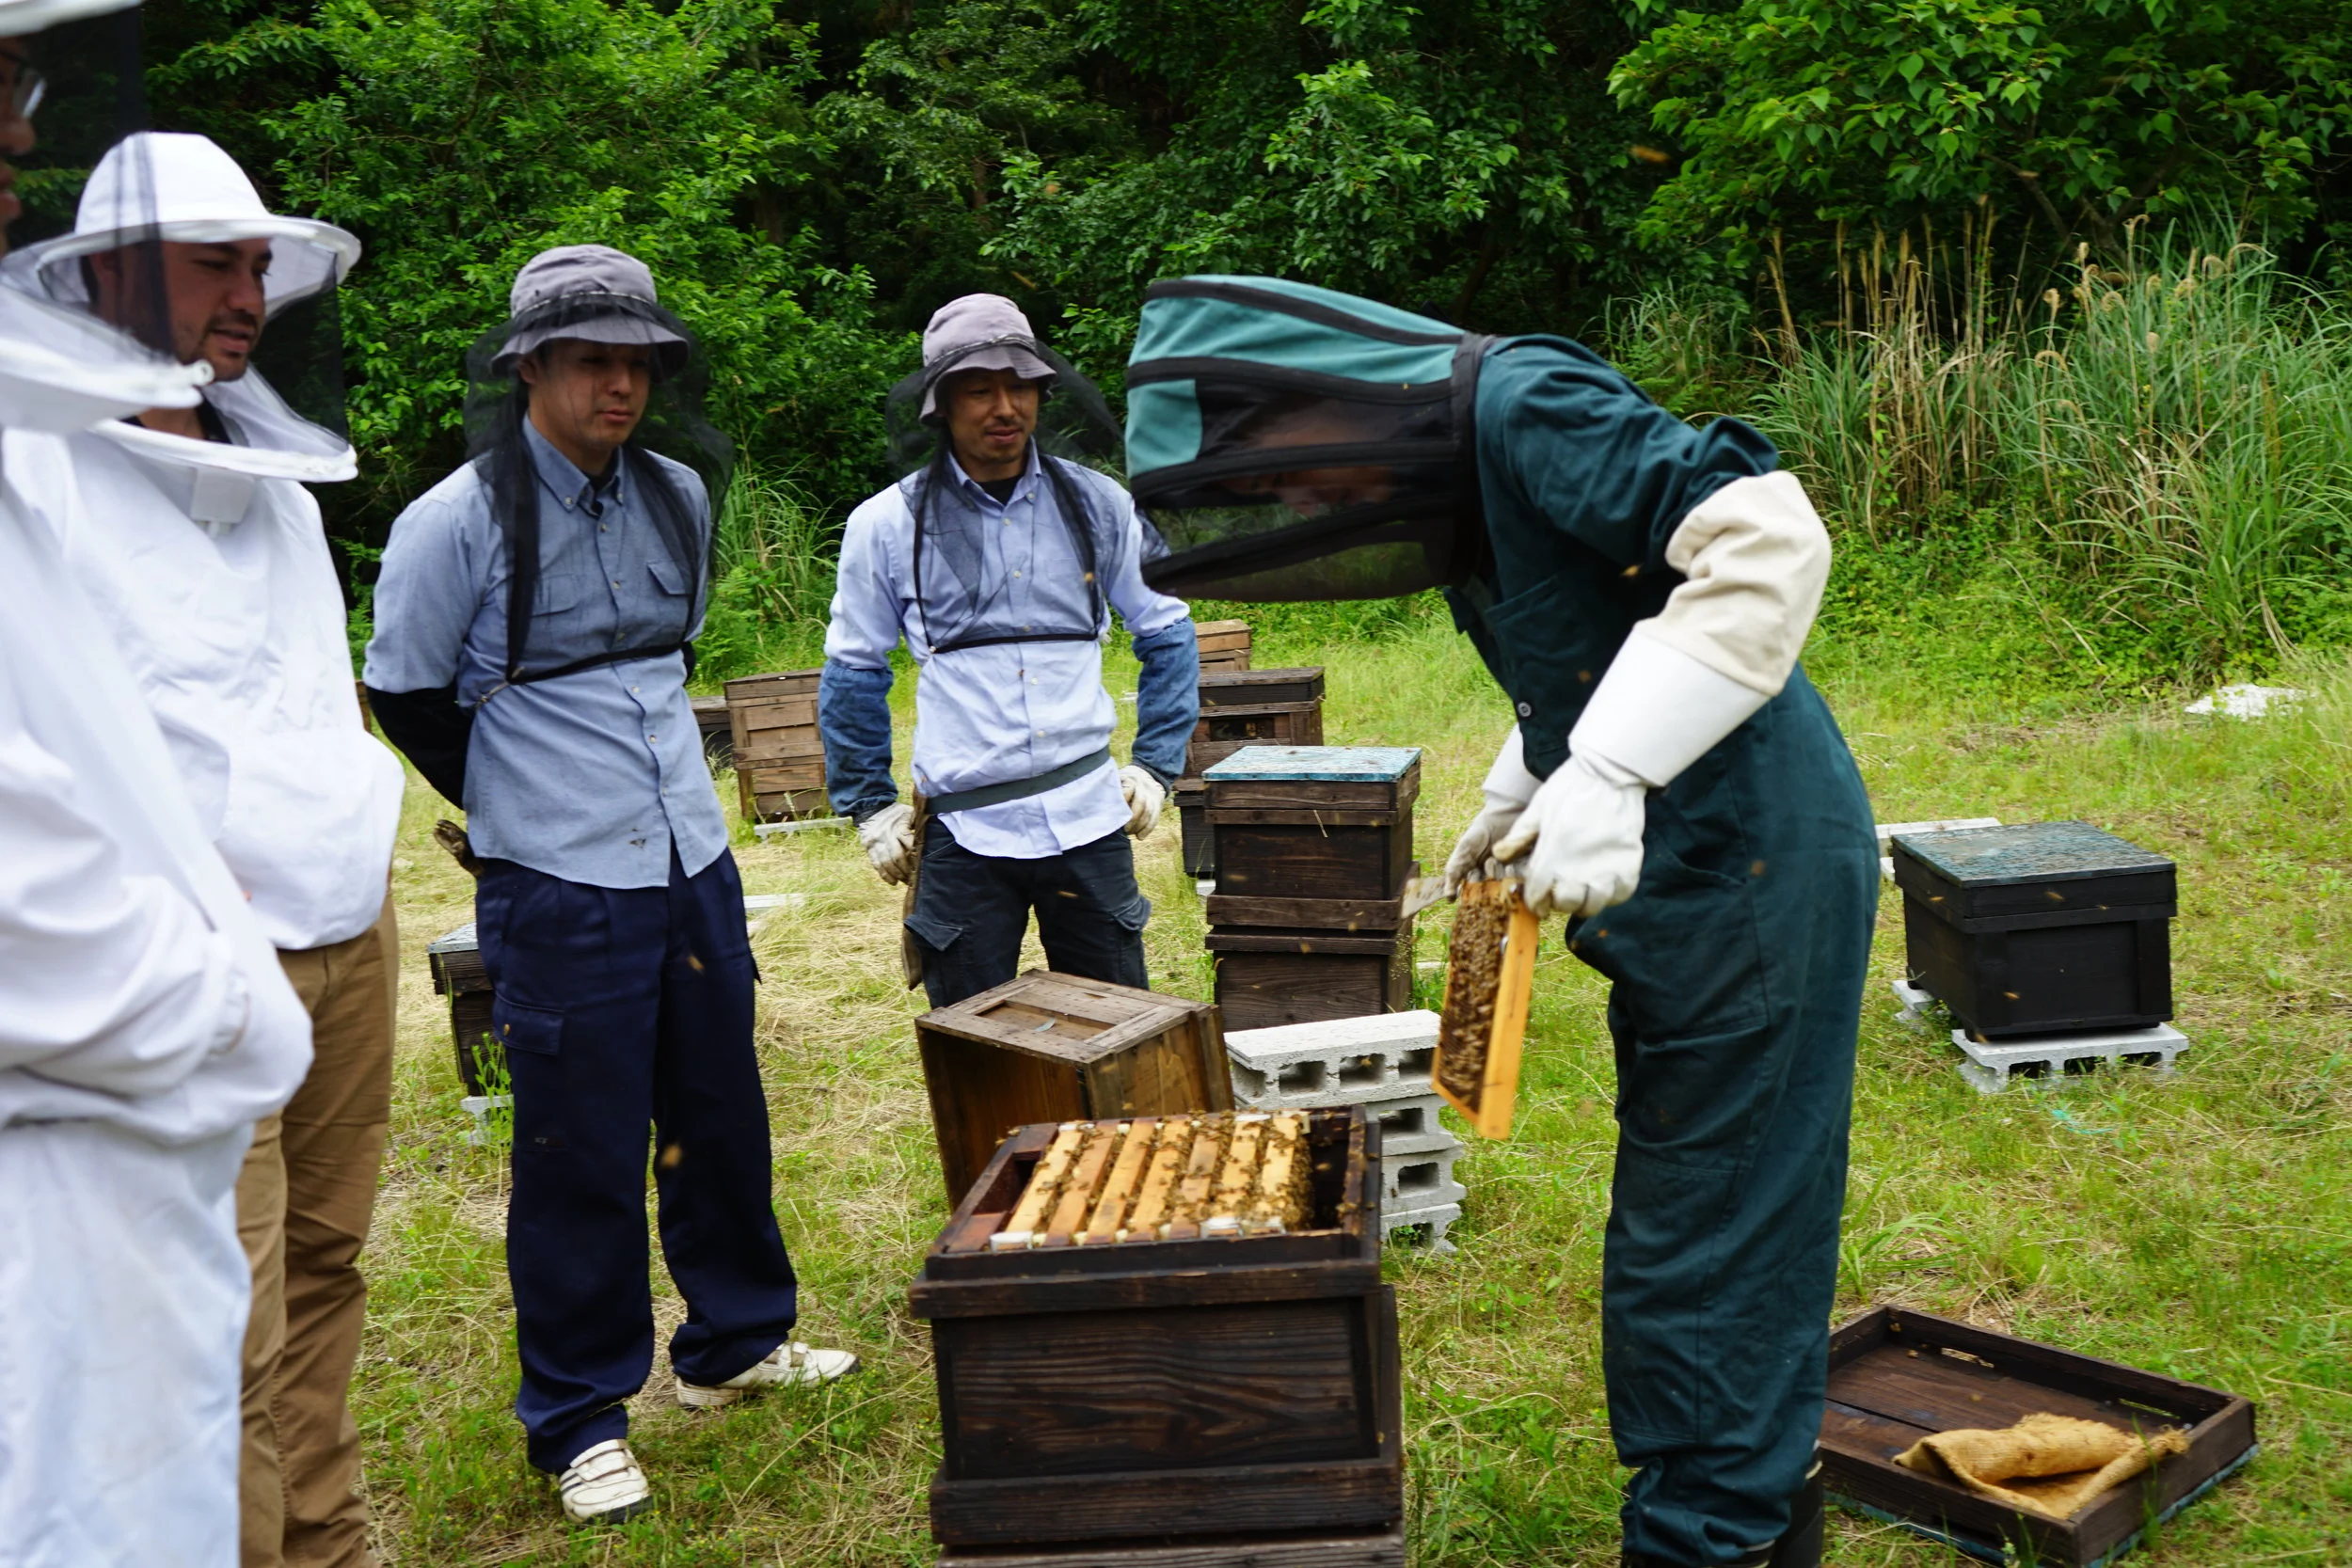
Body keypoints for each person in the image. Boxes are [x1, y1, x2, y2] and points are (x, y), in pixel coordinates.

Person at [1120, 277, 1878, 1568]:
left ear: (1325, 408)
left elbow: (1769, 539)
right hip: (1696, 883)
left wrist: (1617, 770)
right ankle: (1757, 1494)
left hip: (1754, 866)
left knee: (1708, 1231)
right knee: (1715, 1202)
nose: (1299, 510)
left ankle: (1715, 1534)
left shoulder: (1528, 402)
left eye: (1288, 476)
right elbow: (1588, 642)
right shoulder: (1462, 491)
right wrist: (1525, 783)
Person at [361, 245, 857, 1526]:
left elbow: (672, 654)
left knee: (720, 1100)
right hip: (559, 873)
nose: (620, 386)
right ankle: (579, 1413)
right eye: (593, 360)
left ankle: (736, 1338)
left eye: (638, 362)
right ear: (530, 366)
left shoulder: (679, 494)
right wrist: (515, 805)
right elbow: (410, 696)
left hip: (689, 849)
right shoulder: (452, 521)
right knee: (577, 1142)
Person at [3, 129, 401, 1568]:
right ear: (105, 276)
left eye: (258, 269)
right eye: (211, 265)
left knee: (327, 1265)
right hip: (181, 964)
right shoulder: (34, 470)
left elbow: (304, 689)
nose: (248, 295)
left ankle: (329, 1542)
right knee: (212, 1316)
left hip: (349, 934)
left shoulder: (274, 473)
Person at [821, 293, 1198, 1007]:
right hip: (963, 834)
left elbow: (1168, 631)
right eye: (979, 388)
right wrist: (871, 808)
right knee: (976, 1048)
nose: (1004, 406)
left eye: (1019, 385)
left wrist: (1155, 767)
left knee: (1119, 1035)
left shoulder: (1100, 504)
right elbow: (853, 671)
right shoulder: (885, 524)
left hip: (1089, 819)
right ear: (942, 404)